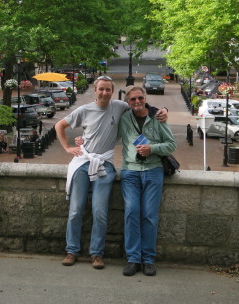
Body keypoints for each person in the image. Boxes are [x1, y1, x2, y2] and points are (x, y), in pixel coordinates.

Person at [54, 75, 167, 270]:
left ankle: (97, 253)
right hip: (83, 162)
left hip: (104, 164)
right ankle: (71, 250)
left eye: (108, 89)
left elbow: (141, 106)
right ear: (95, 91)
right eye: (101, 89)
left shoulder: (119, 107)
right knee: (75, 211)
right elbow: (59, 125)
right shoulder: (84, 110)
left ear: (112, 92)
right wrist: (68, 148)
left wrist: (163, 110)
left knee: (100, 212)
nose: (104, 93)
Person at [119, 86, 176, 277]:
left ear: (145, 98)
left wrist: (152, 148)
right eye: (133, 99)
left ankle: (148, 259)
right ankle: (133, 259)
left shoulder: (157, 117)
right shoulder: (124, 117)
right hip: (130, 171)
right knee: (131, 212)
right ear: (127, 101)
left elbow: (171, 145)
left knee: (150, 216)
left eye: (140, 98)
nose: (137, 102)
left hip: (153, 171)